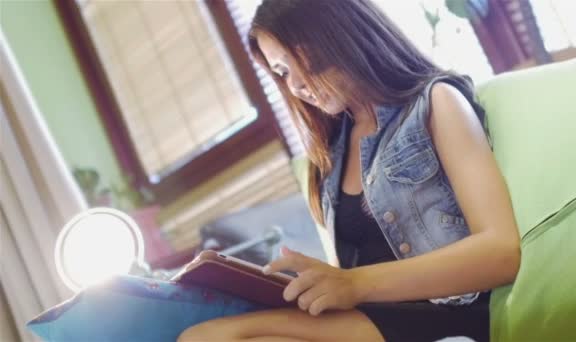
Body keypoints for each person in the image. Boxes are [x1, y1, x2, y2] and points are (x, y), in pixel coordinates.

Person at [179, 0, 520, 341]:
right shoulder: (331, 152)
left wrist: (355, 284)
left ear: (344, 36)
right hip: (373, 313)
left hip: (449, 313)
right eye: (282, 72)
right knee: (203, 335)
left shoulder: (435, 103)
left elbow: (502, 250)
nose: (296, 85)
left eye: (303, 58)